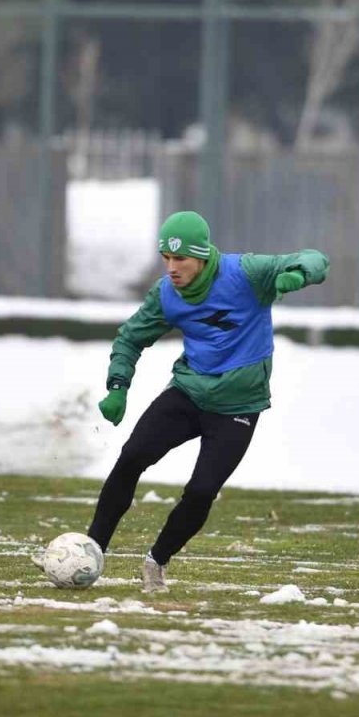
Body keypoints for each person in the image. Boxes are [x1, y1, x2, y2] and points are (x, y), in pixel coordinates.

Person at [80, 210, 328, 593]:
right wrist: (118, 385)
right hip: (188, 392)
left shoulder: (247, 273)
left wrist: (297, 274)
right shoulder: (167, 294)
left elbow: (315, 258)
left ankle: (156, 561)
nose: (172, 268)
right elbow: (130, 338)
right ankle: (92, 550)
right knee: (131, 458)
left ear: (202, 255)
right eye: (166, 258)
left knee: (201, 490)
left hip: (238, 408)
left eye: (180, 259)